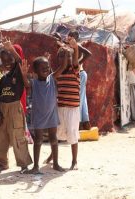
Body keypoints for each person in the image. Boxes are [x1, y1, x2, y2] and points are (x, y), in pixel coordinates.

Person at [20, 54, 69, 174]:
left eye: (47, 67)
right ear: (36, 71)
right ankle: (35, 166)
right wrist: (23, 73)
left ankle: (56, 163)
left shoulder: (52, 78)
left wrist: (66, 53)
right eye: (43, 68)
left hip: (52, 114)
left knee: (53, 139)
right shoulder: (34, 83)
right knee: (38, 140)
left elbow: (63, 67)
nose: (46, 69)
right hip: (39, 115)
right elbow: (26, 84)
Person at [0, 46, 32, 173]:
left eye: (10, 60)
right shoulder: (3, 79)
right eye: (4, 61)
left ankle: (23, 164)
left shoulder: (19, 74)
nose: (7, 63)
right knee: (0, 137)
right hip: (2, 110)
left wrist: (11, 49)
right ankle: (3, 163)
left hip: (15, 108)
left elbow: (20, 62)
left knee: (18, 136)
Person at [55, 38, 80, 170]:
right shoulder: (58, 72)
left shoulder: (74, 70)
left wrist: (75, 48)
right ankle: (53, 157)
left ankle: (74, 161)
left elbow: (75, 60)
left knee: (72, 133)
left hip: (72, 108)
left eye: (68, 56)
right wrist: (63, 64)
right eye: (62, 56)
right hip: (60, 107)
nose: (65, 58)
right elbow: (53, 77)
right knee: (59, 132)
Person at [68, 30, 92, 130]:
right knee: (82, 99)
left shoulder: (76, 46)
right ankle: (85, 122)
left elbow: (88, 54)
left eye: (71, 36)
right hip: (80, 74)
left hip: (80, 74)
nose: (69, 38)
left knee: (79, 99)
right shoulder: (71, 46)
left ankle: (79, 122)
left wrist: (79, 63)